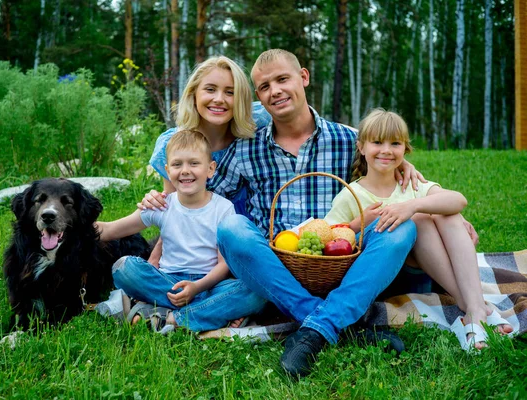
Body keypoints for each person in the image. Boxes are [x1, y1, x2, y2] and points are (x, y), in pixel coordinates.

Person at [142, 49, 428, 376]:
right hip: (276, 265)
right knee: (233, 228)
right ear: (258, 99)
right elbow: (195, 191)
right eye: (264, 87)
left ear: (303, 78)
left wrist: (401, 161)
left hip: (342, 256)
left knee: (401, 229)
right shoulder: (246, 148)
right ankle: (333, 322)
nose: (275, 90)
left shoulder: (348, 140)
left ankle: (314, 328)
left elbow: (383, 153)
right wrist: (160, 198)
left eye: (282, 80)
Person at [325, 108, 513, 351]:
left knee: (445, 213)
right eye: (377, 142)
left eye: (395, 143)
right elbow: (329, 236)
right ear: (361, 147)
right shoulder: (352, 195)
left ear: (405, 150)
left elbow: (458, 200)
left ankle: (475, 310)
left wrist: (412, 205)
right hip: (390, 279)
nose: (386, 150)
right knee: (422, 220)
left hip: (429, 278)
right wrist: (358, 224)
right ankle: (476, 307)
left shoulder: (411, 184)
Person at [97, 130, 266, 334]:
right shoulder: (162, 205)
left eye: (194, 163)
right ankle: (211, 313)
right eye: (177, 165)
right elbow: (111, 229)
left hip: (209, 285)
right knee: (123, 268)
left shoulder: (223, 208)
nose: (185, 170)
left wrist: (197, 288)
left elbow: (224, 265)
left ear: (210, 169)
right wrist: (71, 226)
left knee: (256, 292)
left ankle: (169, 317)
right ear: (168, 171)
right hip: (168, 283)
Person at [147, 55, 271, 217]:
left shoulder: (257, 122)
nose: (219, 99)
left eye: (230, 92)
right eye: (210, 89)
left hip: (249, 229)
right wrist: (156, 200)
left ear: (241, 99)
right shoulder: (173, 144)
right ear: (193, 93)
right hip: (200, 231)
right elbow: (174, 208)